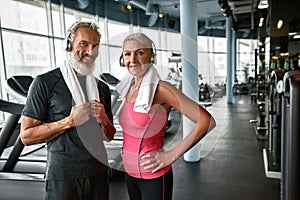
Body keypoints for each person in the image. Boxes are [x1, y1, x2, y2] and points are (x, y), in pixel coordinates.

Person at [20, 21, 116, 200]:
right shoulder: (45, 83)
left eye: (95, 46)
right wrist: (69, 121)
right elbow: (26, 136)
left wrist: (103, 119)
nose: (90, 51)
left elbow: (109, 136)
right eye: (83, 44)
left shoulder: (100, 88)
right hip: (63, 175)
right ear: (69, 45)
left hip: (99, 171)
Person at [116, 33, 216, 200]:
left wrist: (172, 155)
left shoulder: (161, 89)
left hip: (153, 176)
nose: (132, 59)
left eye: (140, 53)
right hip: (130, 173)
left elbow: (206, 120)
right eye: (127, 53)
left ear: (151, 56)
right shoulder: (128, 87)